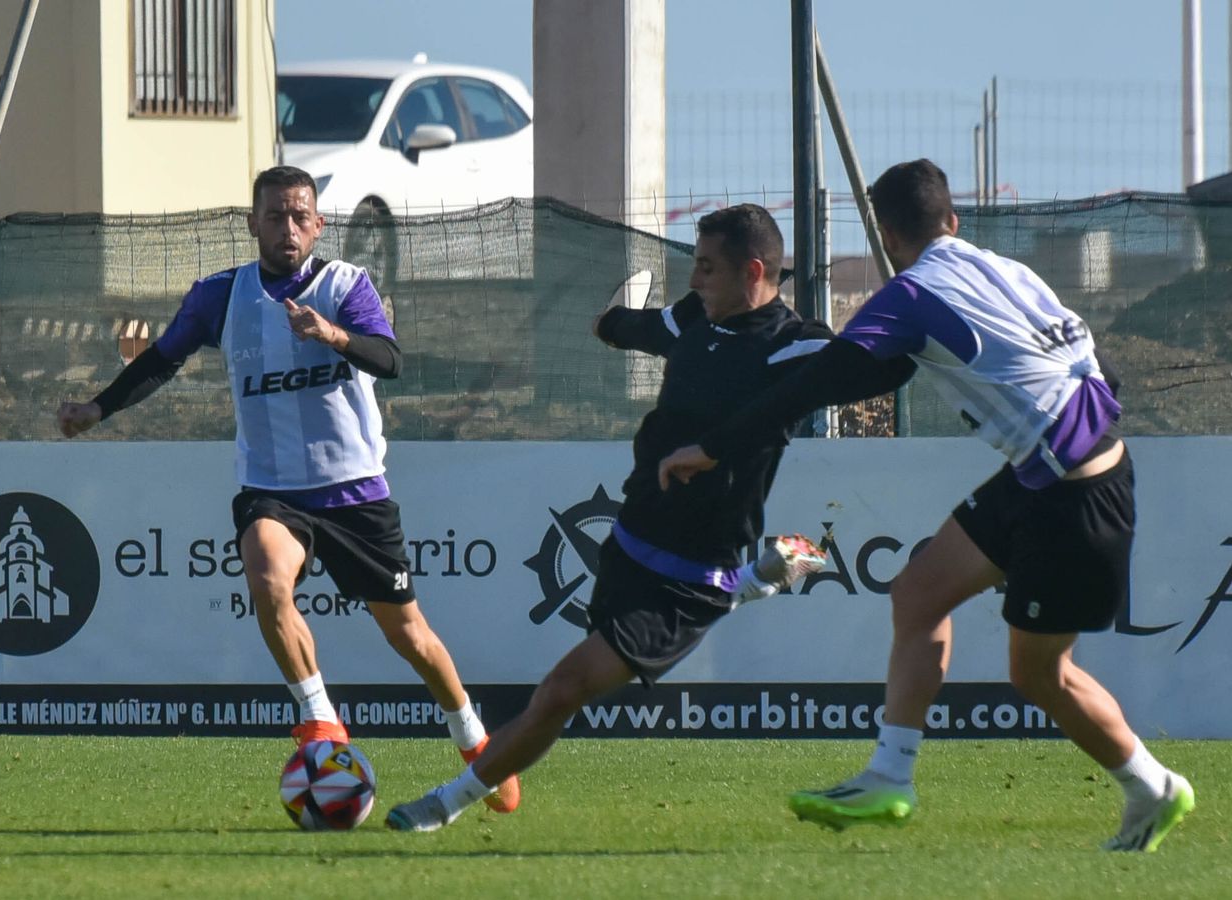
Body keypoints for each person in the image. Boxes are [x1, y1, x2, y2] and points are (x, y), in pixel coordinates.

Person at [658, 159, 1194, 853]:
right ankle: (890, 778)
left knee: (1038, 674)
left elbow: (823, 380)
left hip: (1074, 499)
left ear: (884, 233)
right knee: (917, 594)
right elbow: (1101, 375)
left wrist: (715, 446)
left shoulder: (911, 295)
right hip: (1046, 476)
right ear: (953, 220)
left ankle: (1152, 787)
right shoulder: (1010, 272)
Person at [384, 203, 912, 832]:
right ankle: (757, 581)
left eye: (708, 269)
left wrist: (921, 311)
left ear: (752, 272)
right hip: (629, 544)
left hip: (684, 580)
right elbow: (647, 327)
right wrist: (609, 323)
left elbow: (889, 365)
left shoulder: (795, 348)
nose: (695, 281)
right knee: (567, 687)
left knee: (560, 692)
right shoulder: (697, 319)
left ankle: (444, 805)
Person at [56, 165, 518, 815]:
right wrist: (97, 410)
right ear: (253, 224)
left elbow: (391, 360)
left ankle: (472, 738)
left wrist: (331, 334)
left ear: (319, 223)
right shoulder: (221, 295)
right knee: (269, 578)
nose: (288, 228)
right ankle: (321, 718)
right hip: (271, 488)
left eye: (300, 216)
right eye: (275, 216)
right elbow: (162, 359)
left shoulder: (347, 286)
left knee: (409, 634)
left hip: (354, 489)